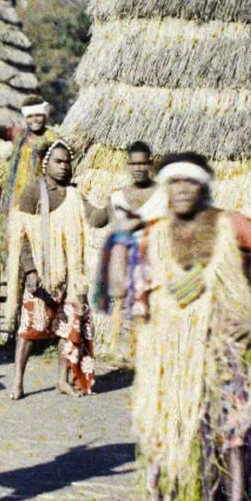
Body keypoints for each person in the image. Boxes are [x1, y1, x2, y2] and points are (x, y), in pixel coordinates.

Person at [130, 153, 251, 501]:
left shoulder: (231, 225)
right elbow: (142, 293)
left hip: (228, 350)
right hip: (175, 358)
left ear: (204, 186)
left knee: (234, 435)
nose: (182, 190)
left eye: (191, 182)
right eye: (175, 182)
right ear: (165, 187)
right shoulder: (154, 233)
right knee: (180, 431)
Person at [4, 140, 108, 399]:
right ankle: (17, 380)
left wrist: (116, 203)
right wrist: (29, 271)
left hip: (70, 275)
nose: (63, 167)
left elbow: (95, 218)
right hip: (41, 272)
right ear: (46, 164)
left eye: (66, 162)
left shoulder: (74, 194)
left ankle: (62, 381)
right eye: (57, 162)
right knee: (29, 329)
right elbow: (22, 234)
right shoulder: (33, 191)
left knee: (68, 328)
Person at [92, 141, 166, 360]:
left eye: (144, 163)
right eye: (135, 164)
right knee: (128, 319)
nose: (139, 168)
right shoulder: (117, 197)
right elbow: (107, 225)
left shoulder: (163, 196)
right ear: (128, 166)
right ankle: (133, 361)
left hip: (155, 266)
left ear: (151, 164)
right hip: (127, 270)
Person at [0, 93, 62, 253]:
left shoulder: (53, 137)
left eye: (39, 115)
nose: (35, 120)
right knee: (17, 238)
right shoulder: (18, 134)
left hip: (43, 193)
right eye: (30, 116)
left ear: (45, 115)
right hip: (17, 193)